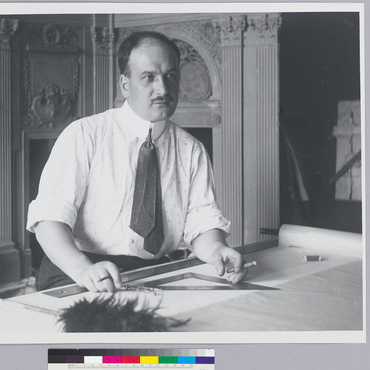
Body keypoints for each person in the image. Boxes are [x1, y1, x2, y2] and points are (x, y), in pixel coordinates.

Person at [26, 31, 247, 293]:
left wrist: (217, 250)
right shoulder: (84, 135)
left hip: (152, 272)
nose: (163, 89)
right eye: (149, 78)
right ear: (125, 85)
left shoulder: (191, 150)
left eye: (171, 76)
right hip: (76, 271)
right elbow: (49, 222)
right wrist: (83, 269)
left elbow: (202, 223)